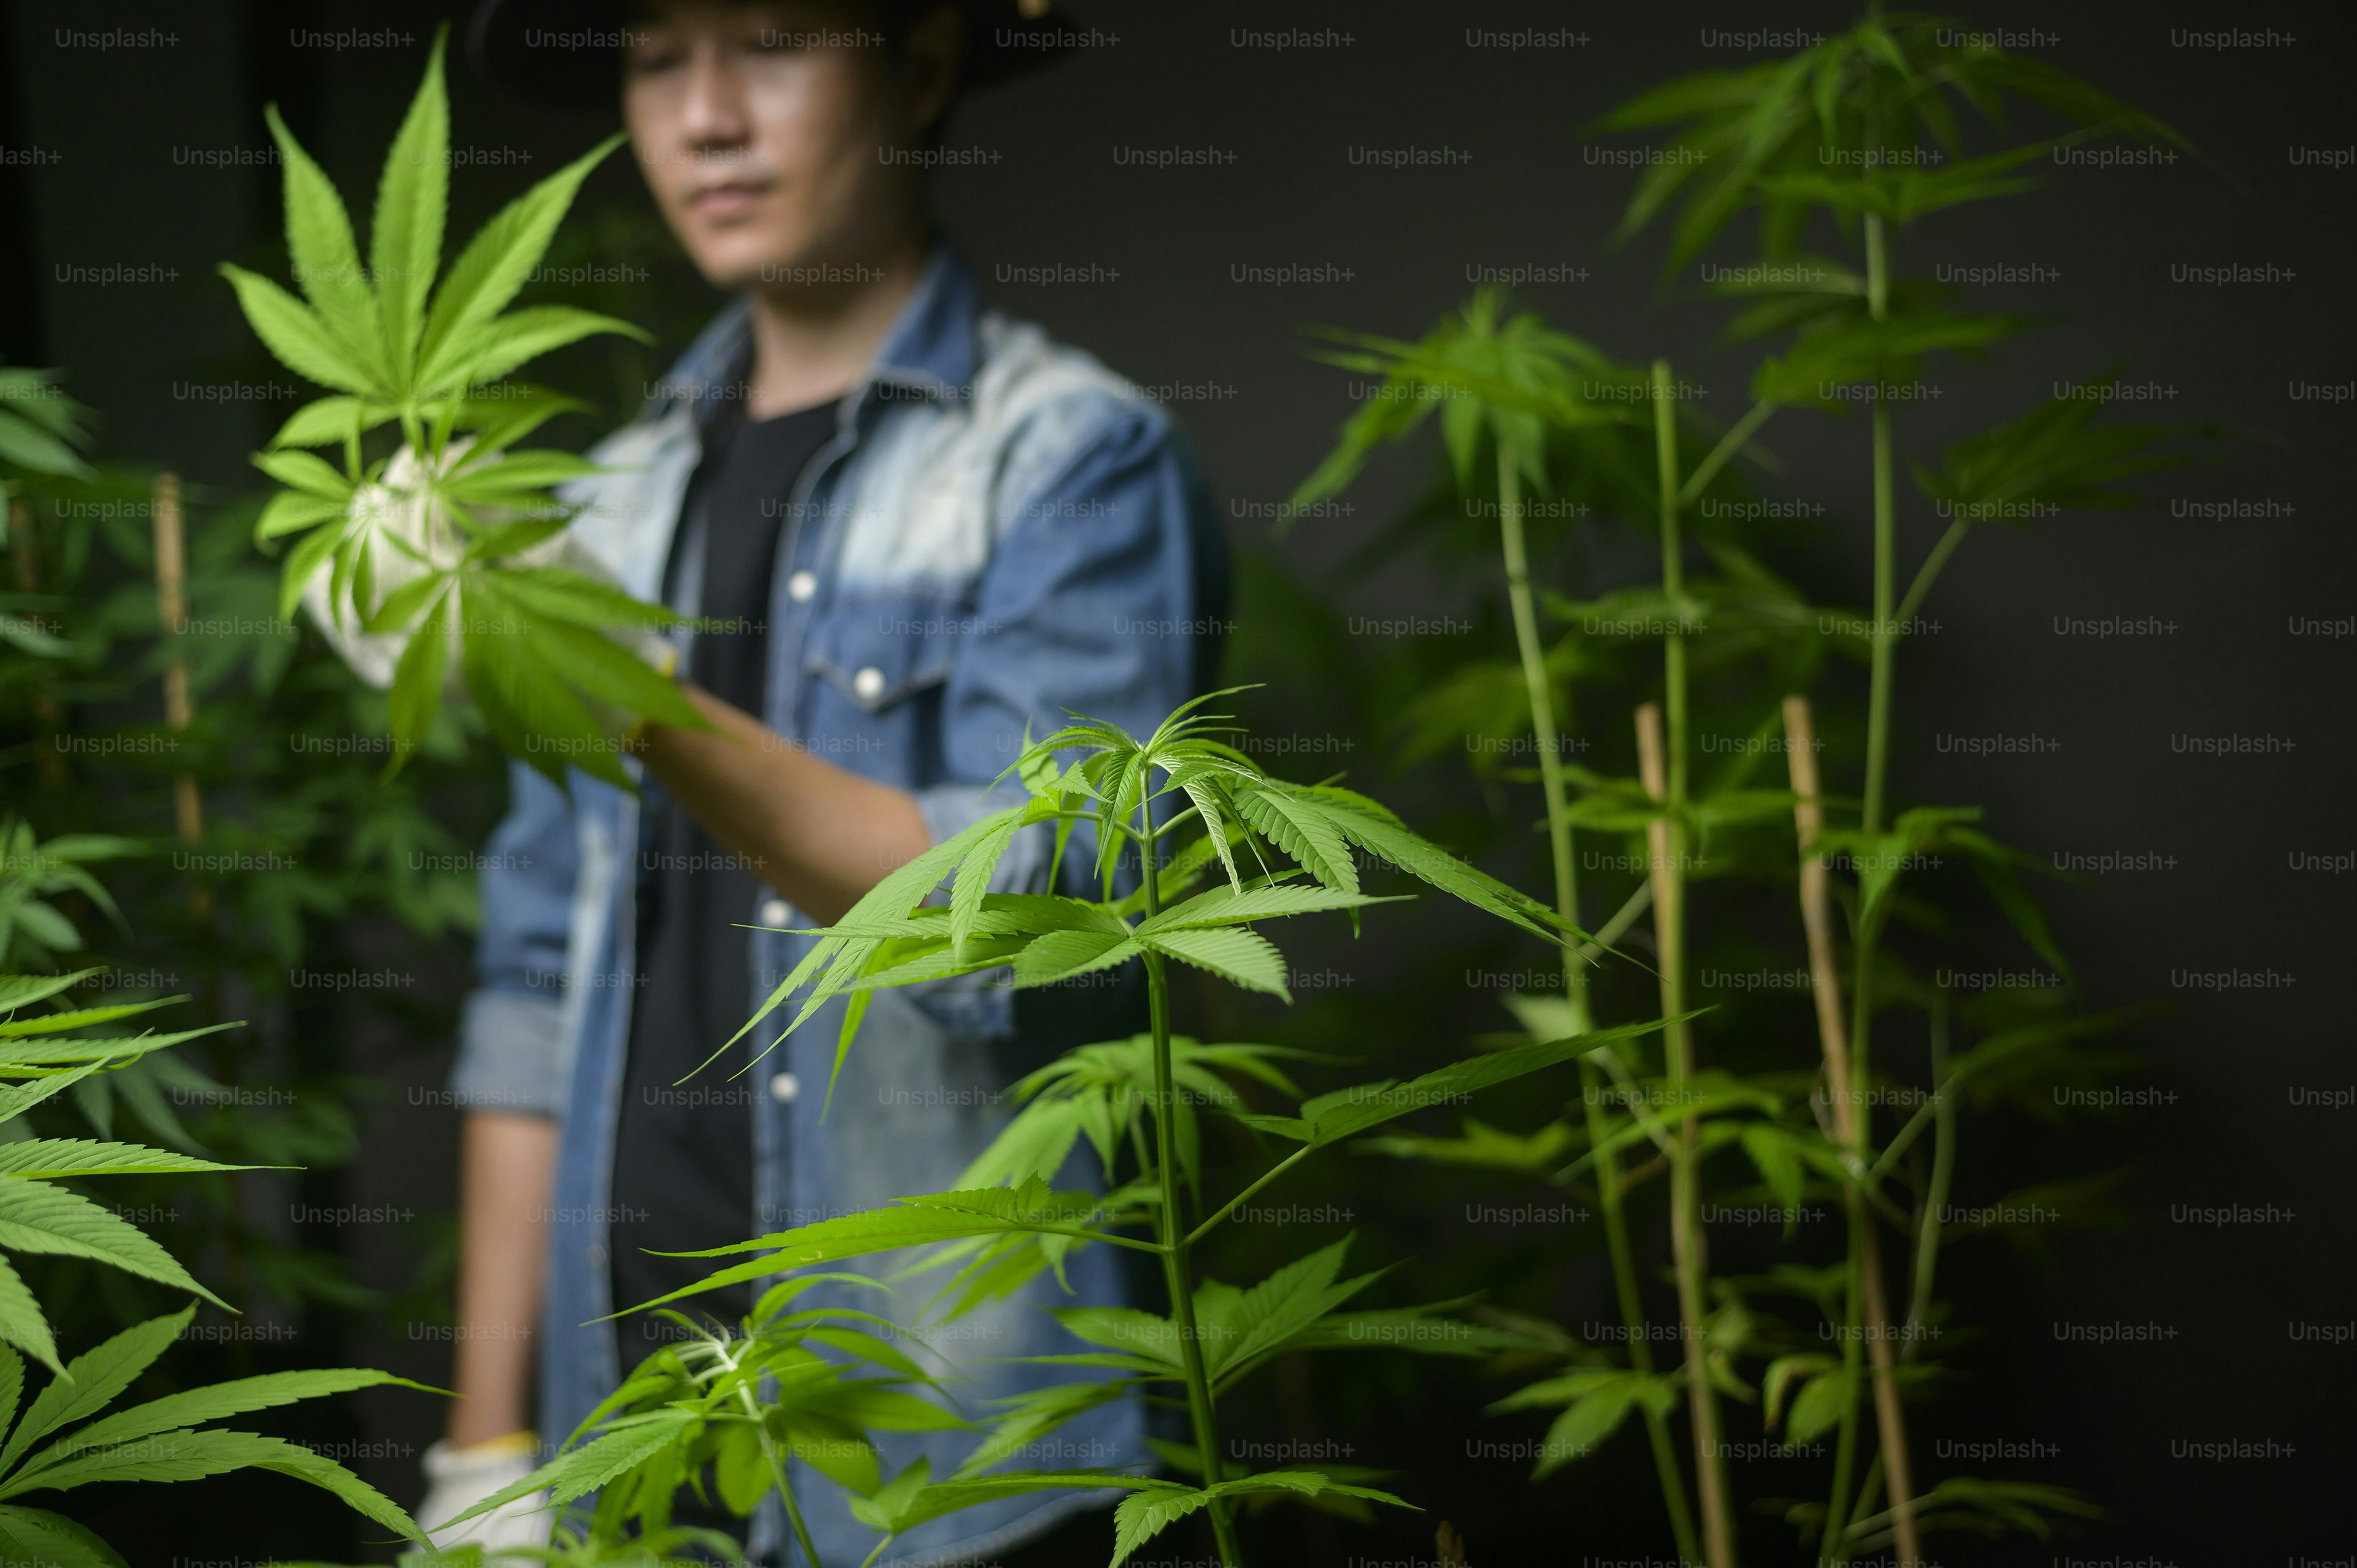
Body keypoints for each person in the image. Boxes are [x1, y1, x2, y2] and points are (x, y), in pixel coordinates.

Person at [417, 4, 1226, 1562]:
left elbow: (1028, 911)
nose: (706, 116)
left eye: (772, 40)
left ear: (919, 63)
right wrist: (487, 1450)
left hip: (951, 1450)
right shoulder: (610, 493)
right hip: (638, 1424)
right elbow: (532, 981)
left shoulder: (1067, 460)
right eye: (652, 56)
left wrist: (626, 695)